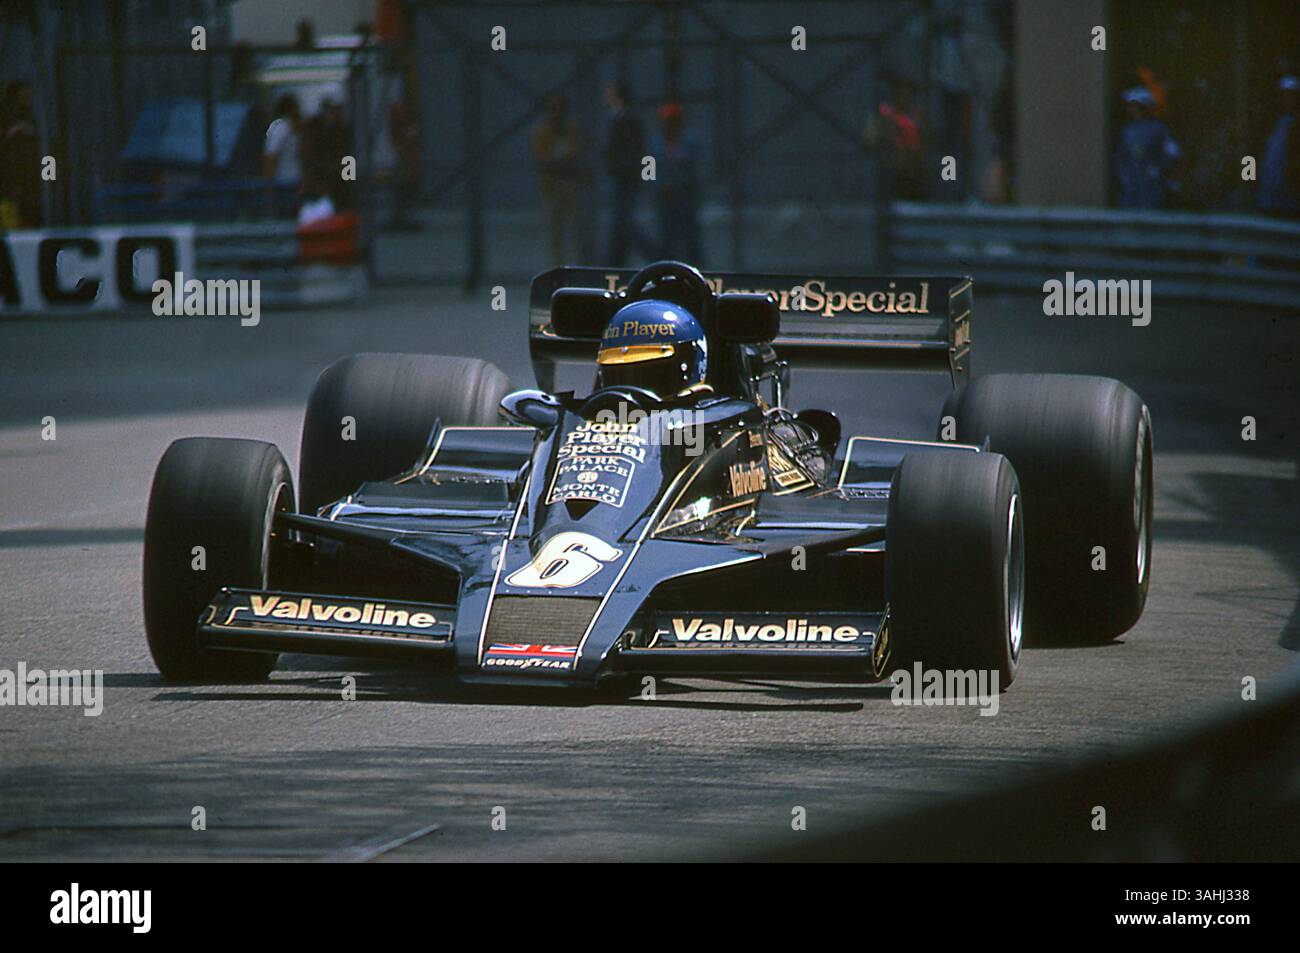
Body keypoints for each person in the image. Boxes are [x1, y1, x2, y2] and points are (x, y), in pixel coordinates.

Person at [595, 296, 710, 403]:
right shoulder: (586, 419)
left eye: (653, 377)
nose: (632, 397)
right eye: (620, 375)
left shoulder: (710, 419)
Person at [531, 93, 593, 265]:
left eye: (559, 109)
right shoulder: (541, 132)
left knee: (576, 230)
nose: (555, 114)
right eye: (552, 109)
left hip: (570, 185)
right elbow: (542, 158)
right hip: (550, 187)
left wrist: (559, 159)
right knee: (554, 232)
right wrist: (562, 159)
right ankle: (557, 269)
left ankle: (579, 267)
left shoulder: (572, 130)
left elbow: (576, 153)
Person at [602, 81, 653, 265]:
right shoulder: (619, 118)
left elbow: (634, 151)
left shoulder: (628, 120)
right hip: (622, 177)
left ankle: (653, 254)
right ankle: (616, 259)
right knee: (622, 222)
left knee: (623, 221)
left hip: (625, 178)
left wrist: (622, 168)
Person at [650, 101, 702, 263]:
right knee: (665, 238)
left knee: (690, 238)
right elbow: (647, 172)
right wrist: (659, 186)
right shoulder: (654, 143)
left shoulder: (691, 143)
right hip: (663, 199)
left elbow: (697, 169)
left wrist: (681, 186)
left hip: (685, 197)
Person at [1114, 86, 1180, 209]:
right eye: (1130, 106)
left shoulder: (1159, 129)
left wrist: (1156, 168)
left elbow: (1173, 153)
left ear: (1144, 107)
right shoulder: (1128, 130)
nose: (1131, 109)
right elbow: (1120, 155)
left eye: (1135, 105)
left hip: (1151, 186)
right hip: (1131, 187)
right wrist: (1124, 175)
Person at [0, 81, 41, 228]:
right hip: (8, 166)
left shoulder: (27, 113)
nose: (27, 96)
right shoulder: (5, 113)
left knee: (26, 202)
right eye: (24, 93)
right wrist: (13, 132)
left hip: (27, 166)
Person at [1257, 76, 1299, 218]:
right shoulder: (1272, 122)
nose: (1287, 99)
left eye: (1290, 95)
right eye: (1283, 95)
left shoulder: (1296, 123)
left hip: (1289, 197)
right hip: (1268, 194)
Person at [303, 98, 353, 210]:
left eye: (336, 110)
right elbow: (309, 153)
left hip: (340, 176)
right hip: (320, 174)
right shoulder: (315, 128)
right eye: (331, 110)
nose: (334, 114)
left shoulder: (343, 129)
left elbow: (348, 155)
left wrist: (350, 177)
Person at [263, 94, 302, 218]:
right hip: (284, 183)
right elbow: (271, 156)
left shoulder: (292, 129)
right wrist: (269, 185)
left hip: (294, 182)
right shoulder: (281, 129)